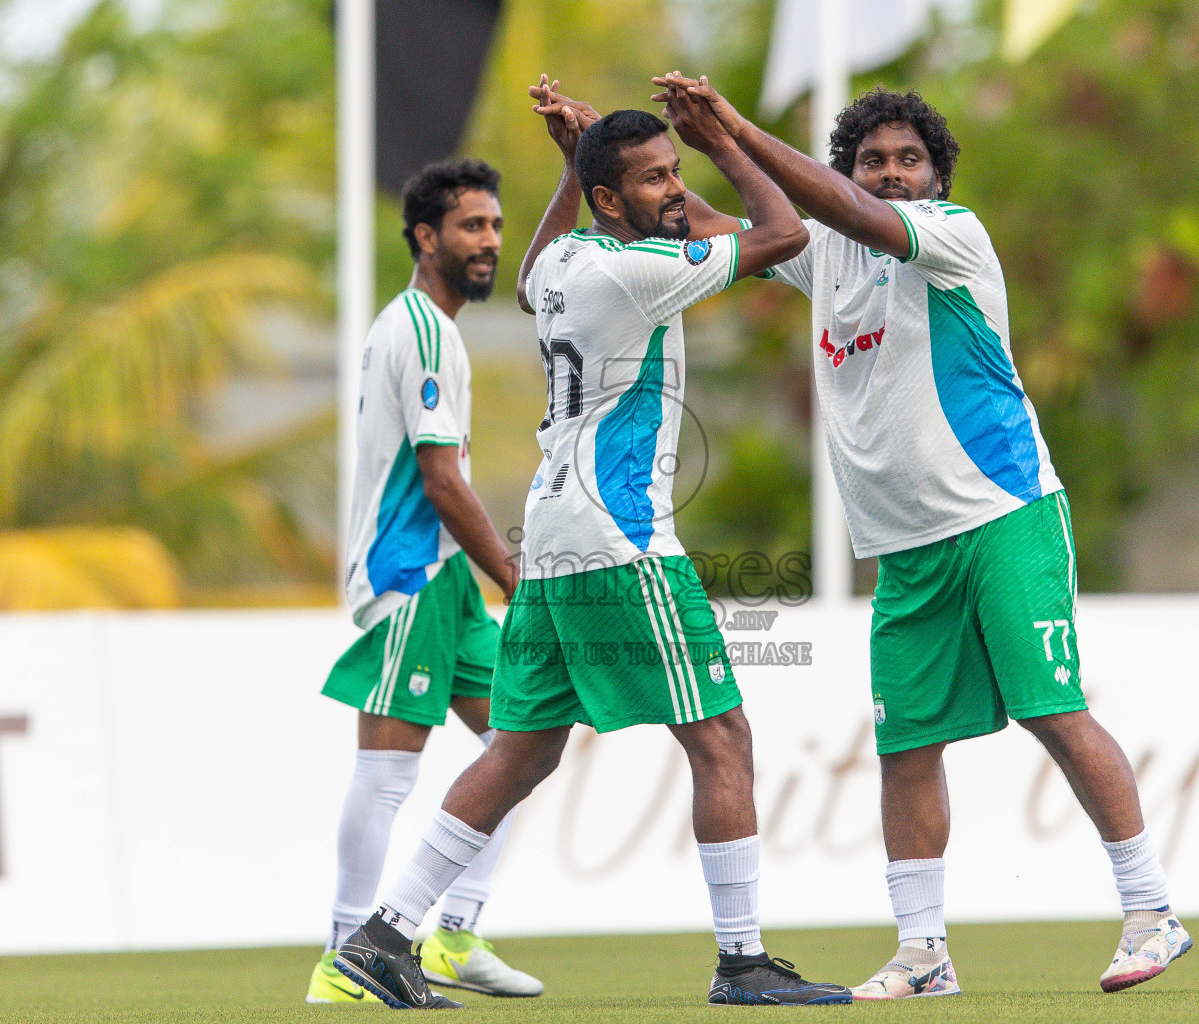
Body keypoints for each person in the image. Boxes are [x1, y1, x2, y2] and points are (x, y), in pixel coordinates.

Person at [647, 74, 1193, 999]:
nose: (893, 174)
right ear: (848, 167)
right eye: (873, 161)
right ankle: (924, 953)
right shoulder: (824, 251)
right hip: (906, 548)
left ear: (938, 177)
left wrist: (731, 128)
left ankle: (1152, 912)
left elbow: (850, 213)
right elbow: (707, 224)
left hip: (1002, 515)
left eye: (910, 161)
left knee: (1052, 711)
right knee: (905, 749)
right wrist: (610, 167)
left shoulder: (952, 235)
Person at [331, 77, 850, 1009]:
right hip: (622, 538)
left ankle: (381, 937)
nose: (673, 190)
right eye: (653, 179)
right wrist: (726, 141)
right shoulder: (632, 269)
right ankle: (742, 963)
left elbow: (530, 277)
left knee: (522, 751)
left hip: (558, 533)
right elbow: (785, 235)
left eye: (675, 172)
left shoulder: (571, 260)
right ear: (611, 200)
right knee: (722, 736)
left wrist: (577, 170)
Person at [307, 158, 542, 1004]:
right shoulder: (423, 331)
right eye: (472, 227)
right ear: (425, 236)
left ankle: (452, 935)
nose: (488, 243)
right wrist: (516, 577)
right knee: (387, 775)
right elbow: (441, 481)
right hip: (407, 574)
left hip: (441, 577)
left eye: (495, 227)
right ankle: (344, 955)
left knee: (523, 742)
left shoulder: (423, 324)